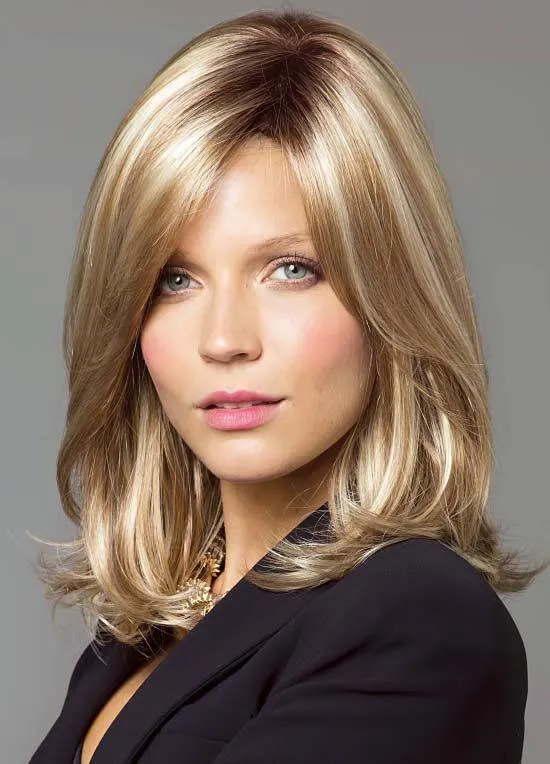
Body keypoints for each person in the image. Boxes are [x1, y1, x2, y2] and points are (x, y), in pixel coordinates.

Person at [29, 8, 548, 764]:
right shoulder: (145, 633)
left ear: (391, 294)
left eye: (291, 270)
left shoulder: (420, 617)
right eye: (175, 279)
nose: (224, 339)